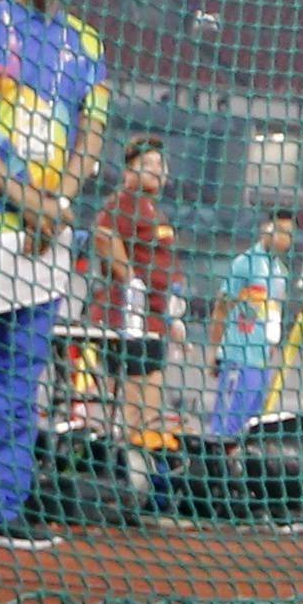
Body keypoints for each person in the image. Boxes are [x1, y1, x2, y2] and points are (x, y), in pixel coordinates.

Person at [0, 0, 107, 549]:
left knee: (20, 373)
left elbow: (92, 139)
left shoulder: (86, 46)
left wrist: (56, 205)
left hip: (44, 238)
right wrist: (30, 201)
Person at [87, 136, 185, 456]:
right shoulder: (125, 201)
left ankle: (147, 470)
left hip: (153, 319)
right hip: (128, 319)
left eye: (160, 164)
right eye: (146, 165)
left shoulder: (153, 209)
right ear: (128, 172)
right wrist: (130, 281)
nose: (156, 171)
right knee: (135, 408)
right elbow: (103, 235)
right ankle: (132, 473)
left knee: (152, 406)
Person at [206, 210, 295, 442]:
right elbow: (222, 307)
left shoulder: (281, 273)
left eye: (290, 234)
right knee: (226, 427)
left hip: (261, 362)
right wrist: (215, 350)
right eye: (282, 232)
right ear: (267, 228)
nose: (286, 239)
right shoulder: (244, 264)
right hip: (238, 356)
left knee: (250, 429)